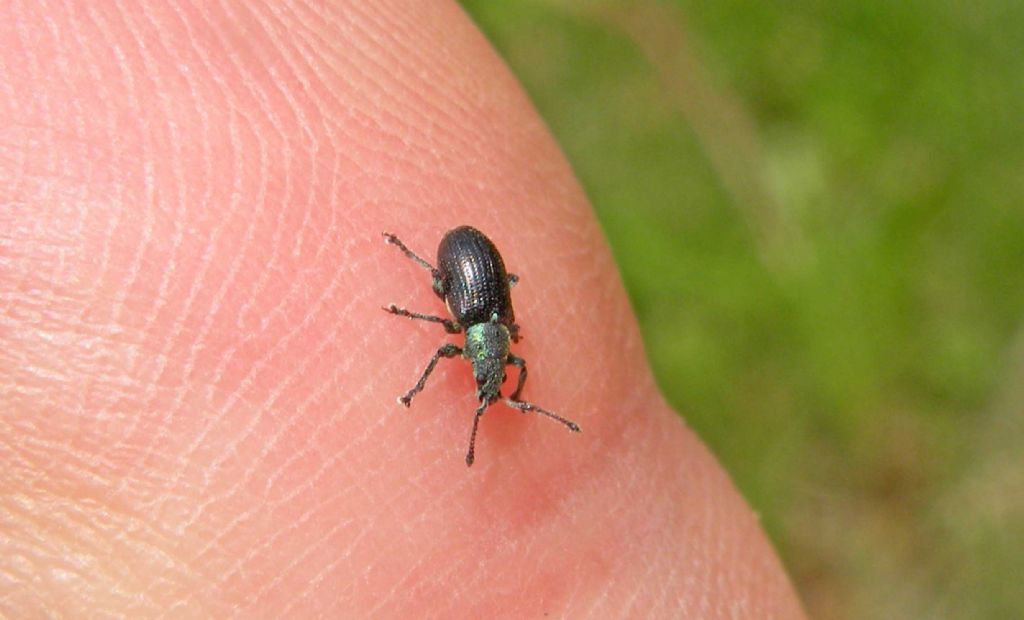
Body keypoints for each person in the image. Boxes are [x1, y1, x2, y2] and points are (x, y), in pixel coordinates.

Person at [0, 1, 805, 616]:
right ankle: (419, 272)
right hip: (464, 255)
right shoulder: (465, 328)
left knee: (461, 327)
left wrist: (505, 390)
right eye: (488, 376)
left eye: (492, 379)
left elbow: (500, 356)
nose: (491, 379)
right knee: (432, 307)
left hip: (483, 274)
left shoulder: (500, 345)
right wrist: (427, 385)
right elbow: (449, 333)